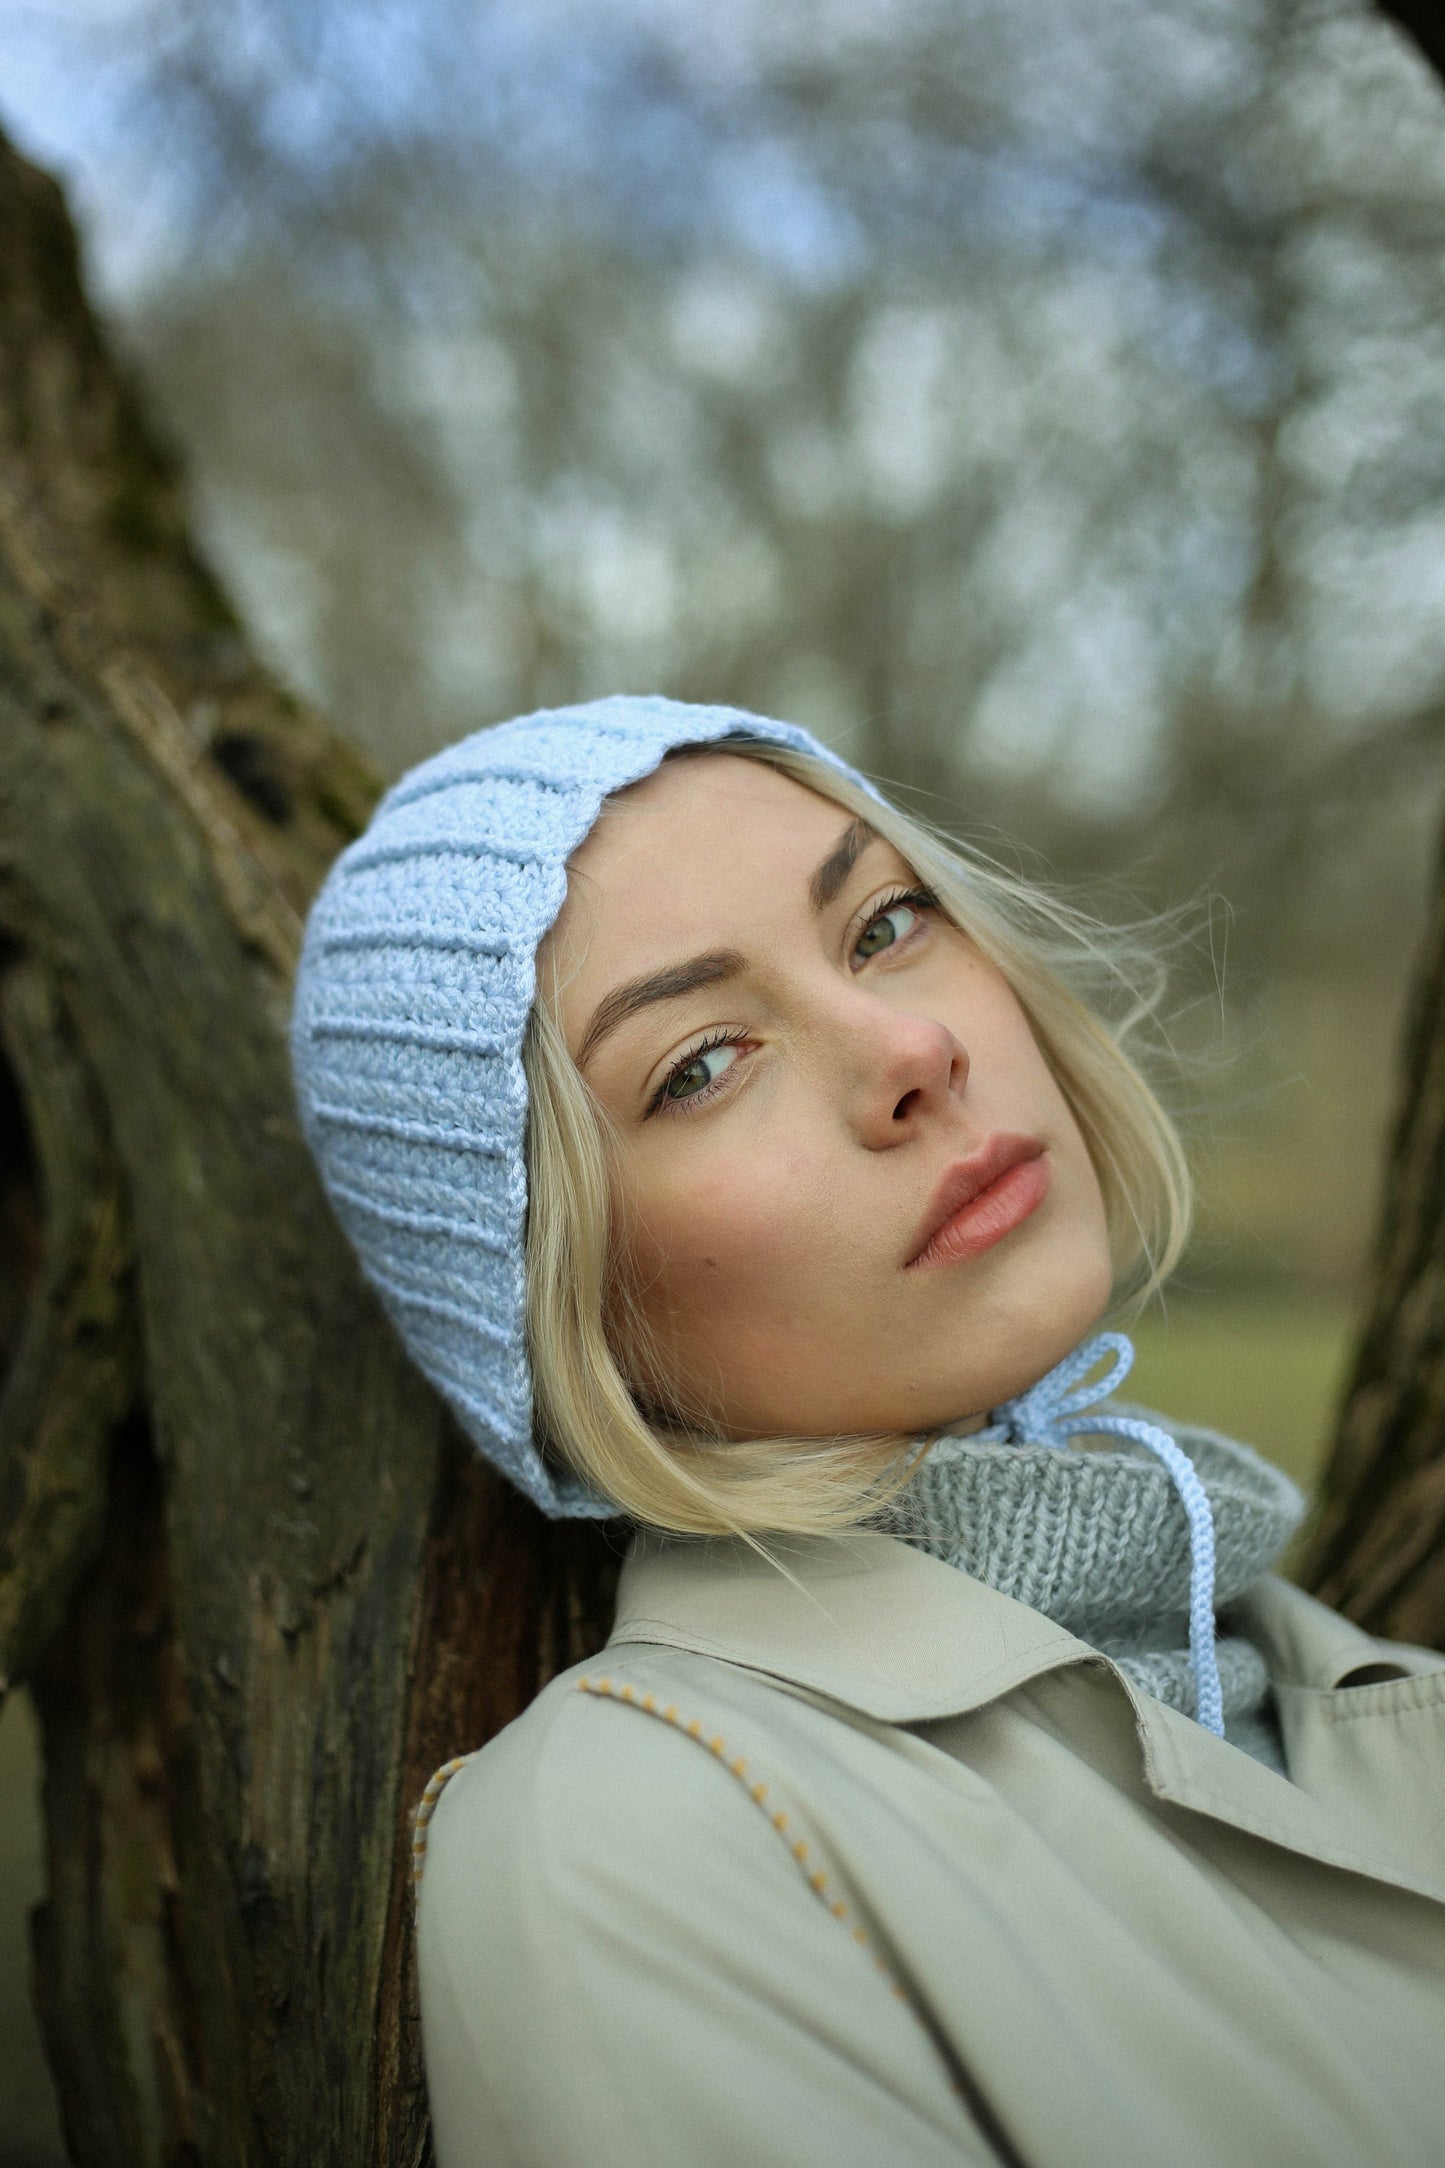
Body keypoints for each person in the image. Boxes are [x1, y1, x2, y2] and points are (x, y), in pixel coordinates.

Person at [290, 695, 1445, 2168]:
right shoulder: (635, 1848)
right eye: (701, 1063)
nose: (912, 1047)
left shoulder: (1309, 1657)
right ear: (557, 1302)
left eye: (885, 925)